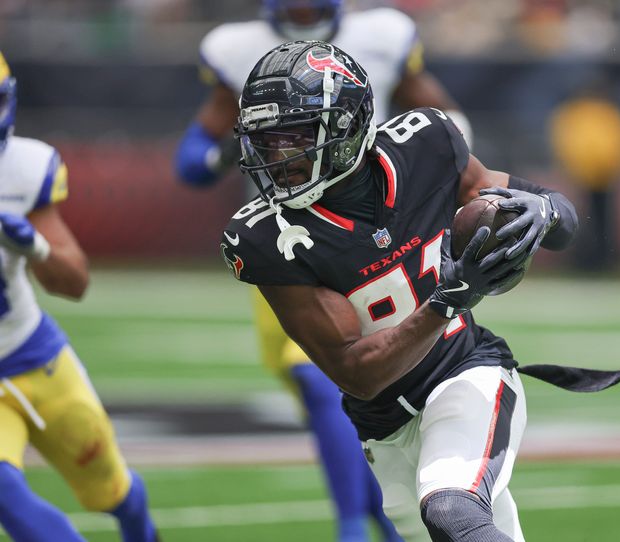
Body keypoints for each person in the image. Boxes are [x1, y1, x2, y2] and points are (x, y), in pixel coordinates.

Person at [220, 40, 581, 541]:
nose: (276, 156)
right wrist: (446, 298)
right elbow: (356, 372)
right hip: (384, 428)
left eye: (294, 137)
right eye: (266, 139)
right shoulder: (265, 239)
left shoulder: (426, 145)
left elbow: (560, 219)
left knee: (452, 509)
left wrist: (544, 212)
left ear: (346, 127)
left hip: (465, 370)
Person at [175, 2, 471, 540]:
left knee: (348, 388)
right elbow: (191, 159)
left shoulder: (382, 36)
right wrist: (226, 154)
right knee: (335, 386)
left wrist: (436, 170)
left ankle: (359, 526)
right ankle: (377, 523)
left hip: (383, 231)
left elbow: (446, 118)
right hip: (293, 245)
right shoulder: (240, 50)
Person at [0, 51, 159, 541]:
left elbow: (73, 282)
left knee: (113, 489)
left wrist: (34, 245)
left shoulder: (25, 168)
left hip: (34, 355)